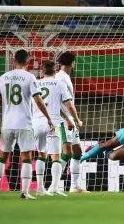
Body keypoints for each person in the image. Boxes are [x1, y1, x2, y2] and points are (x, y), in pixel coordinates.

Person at [0, 50, 54, 200]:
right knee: (26, 158)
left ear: (13, 60)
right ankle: (25, 192)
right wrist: (48, 117)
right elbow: (38, 100)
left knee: (2, 157)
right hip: (24, 124)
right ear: (28, 62)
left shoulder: (3, 78)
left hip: (7, 124)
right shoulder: (30, 77)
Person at [33, 60, 83, 197]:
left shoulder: (35, 84)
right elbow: (69, 105)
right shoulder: (59, 84)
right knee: (56, 156)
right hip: (53, 123)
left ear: (42, 71)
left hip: (36, 122)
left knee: (41, 155)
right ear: (55, 71)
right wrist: (76, 119)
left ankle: (39, 188)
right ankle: (54, 187)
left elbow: (32, 103)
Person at [54, 52, 86, 193]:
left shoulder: (64, 77)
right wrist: (74, 119)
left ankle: (74, 186)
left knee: (77, 151)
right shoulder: (60, 78)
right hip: (63, 120)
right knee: (66, 152)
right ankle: (53, 186)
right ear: (72, 63)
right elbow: (64, 103)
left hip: (69, 119)